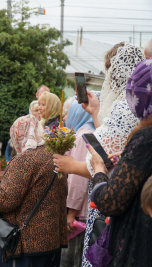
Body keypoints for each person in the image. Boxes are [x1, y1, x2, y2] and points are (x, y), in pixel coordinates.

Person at [52, 43, 145, 266]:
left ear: (115, 74)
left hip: (110, 200)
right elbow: (110, 148)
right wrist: (95, 112)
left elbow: (103, 163)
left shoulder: (124, 108)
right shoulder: (136, 107)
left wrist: (71, 166)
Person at [86, 57, 152, 267]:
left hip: (141, 244)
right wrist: (126, 161)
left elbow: (111, 202)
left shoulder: (145, 138)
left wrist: (99, 170)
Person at [0, 114, 67, 266]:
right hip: (52, 238)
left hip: (27, 242)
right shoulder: (56, 155)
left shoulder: (24, 159)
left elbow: (6, 200)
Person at [60, 99, 95, 267]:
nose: (66, 117)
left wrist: (71, 213)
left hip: (80, 212)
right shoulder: (90, 131)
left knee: (74, 258)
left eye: (68, 112)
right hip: (86, 208)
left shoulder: (82, 136)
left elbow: (78, 179)